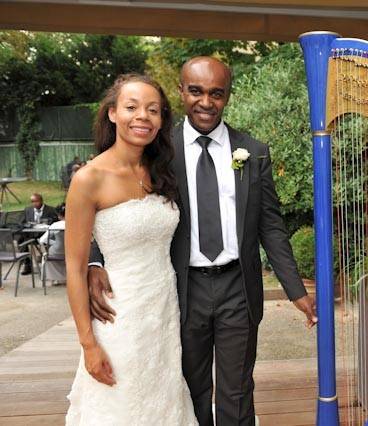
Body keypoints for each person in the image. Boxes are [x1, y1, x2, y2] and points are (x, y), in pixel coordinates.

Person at [88, 56, 317, 426]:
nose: (206, 102)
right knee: (191, 388)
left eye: (216, 93)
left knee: (237, 389)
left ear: (228, 96)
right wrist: (94, 260)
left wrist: (296, 290)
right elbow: (113, 205)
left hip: (238, 287)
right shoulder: (158, 151)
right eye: (196, 91)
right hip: (181, 287)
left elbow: (271, 226)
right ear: (181, 92)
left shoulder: (253, 151)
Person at [64, 73, 198, 425]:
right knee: (119, 402)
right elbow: (75, 267)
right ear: (112, 113)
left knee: (162, 400)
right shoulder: (88, 179)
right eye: (132, 107)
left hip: (164, 311)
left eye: (153, 110)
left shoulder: (161, 171)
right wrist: (88, 344)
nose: (143, 116)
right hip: (117, 313)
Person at [19, 193, 59, 275]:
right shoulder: (28, 210)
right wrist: (30, 225)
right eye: (32, 201)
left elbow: (55, 221)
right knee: (21, 240)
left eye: (36, 201)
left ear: (41, 201)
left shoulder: (51, 210)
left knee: (53, 240)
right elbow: (22, 223)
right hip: (32, 235)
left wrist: (47, 222)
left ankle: (51, 265)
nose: (34, 203)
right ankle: (27, 264)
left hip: (45, 235)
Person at [39, 203, 67, 284]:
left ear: (59, 215)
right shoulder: (75, 224)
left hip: (56, 252)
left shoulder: (55, 225)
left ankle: (54, 278)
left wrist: (53, 242)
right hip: (71, 253)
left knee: (46, 254)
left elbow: (42, 240)